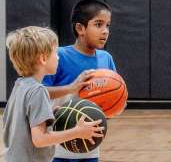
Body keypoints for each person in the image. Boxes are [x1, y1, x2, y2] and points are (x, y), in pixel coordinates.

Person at [3, 26, 104, 162]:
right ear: (43, 59)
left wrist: (50, 113)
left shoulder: (20, 86)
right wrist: (78, 132)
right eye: (55, 53)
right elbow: (40, 140)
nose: (58, 57)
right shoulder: (39, 91)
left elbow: (22, 121)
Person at [43, 0, 116, 162]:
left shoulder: (106, 58)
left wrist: (115, 105)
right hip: (58, 146)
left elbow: (110, 101)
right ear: (80, 28)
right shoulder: (58, 56)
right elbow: (39, 93)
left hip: (90, 145)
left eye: (108, 25)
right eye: (98, 24)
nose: (105, 31)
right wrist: (71, 87)